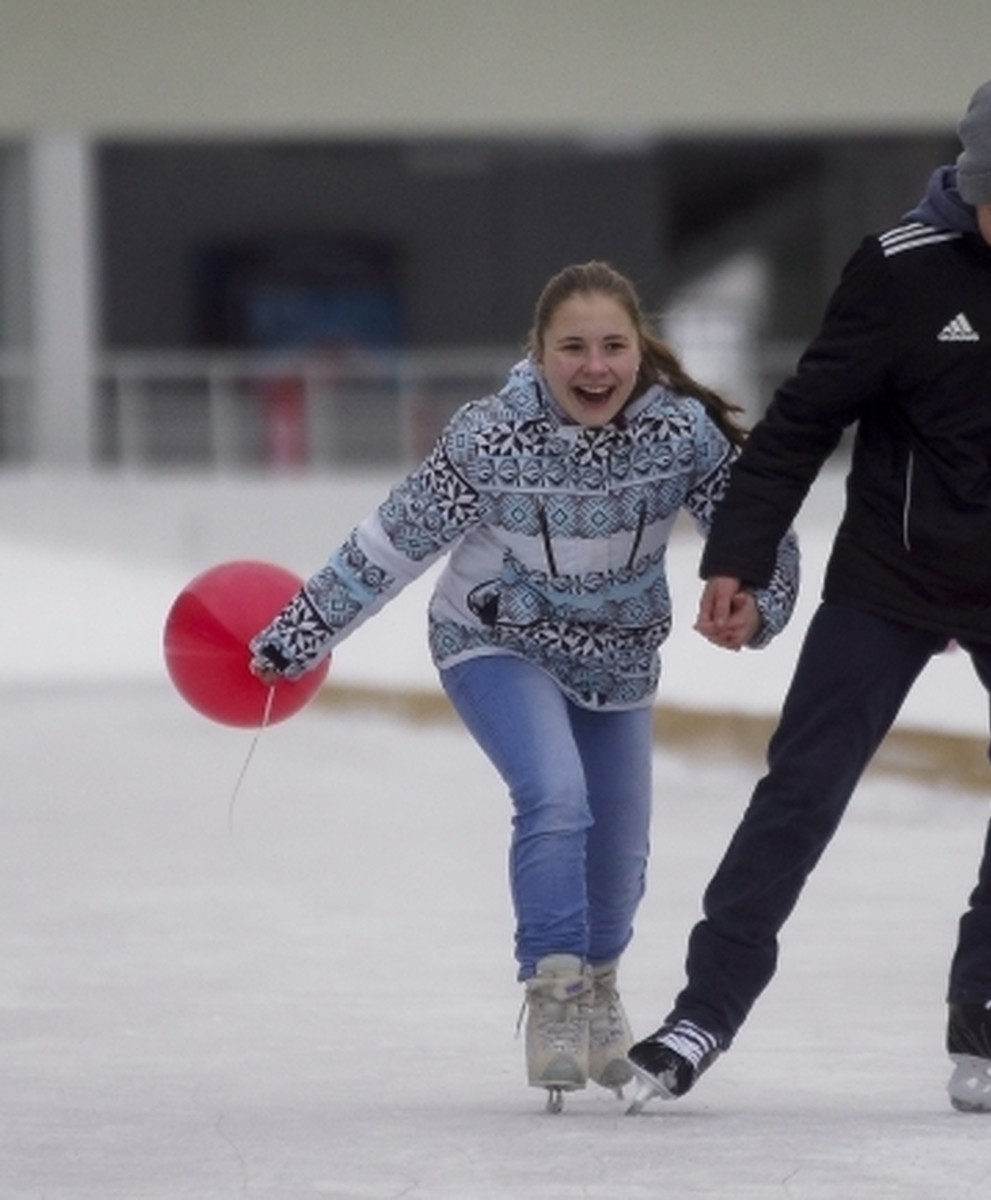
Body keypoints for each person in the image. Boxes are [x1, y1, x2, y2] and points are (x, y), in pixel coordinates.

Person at [626, 76, 991, 1115]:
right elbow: (801, 424)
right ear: (965, 195)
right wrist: (735, 559)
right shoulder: (901, 271)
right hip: (899, 569)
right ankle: (708, 1006)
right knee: (805, 783)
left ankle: (990, 997)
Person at [247, 260, 799, 1110]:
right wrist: (301, 629)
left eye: (613, 346)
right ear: (539, 355)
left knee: (620, 857)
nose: (595, 367)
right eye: (572, 347)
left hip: (616, 661)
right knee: (554, 796)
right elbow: (389, 543)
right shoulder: (487, 436)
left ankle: (601, 981)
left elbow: (759, 524)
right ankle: (554, 996)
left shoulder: (679, 434)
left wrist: (757, 603)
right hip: (492, 640)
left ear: (638, 351)